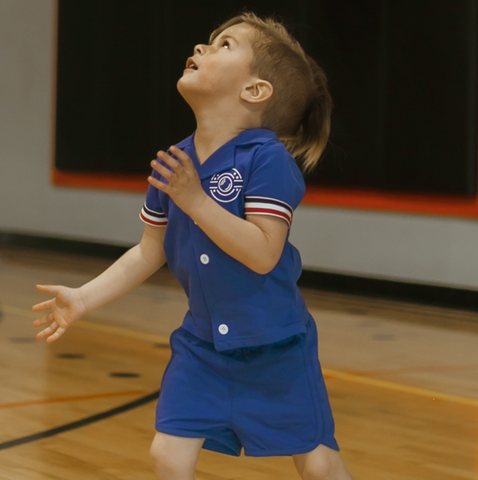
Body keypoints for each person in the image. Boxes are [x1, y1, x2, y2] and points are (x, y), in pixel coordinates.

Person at [33, 12, 355, 480]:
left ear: (255, 91)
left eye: (224, 45)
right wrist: (83, 298)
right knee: (167, 455)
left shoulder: (268, 160)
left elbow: (265, 252)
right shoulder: (176, 163)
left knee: (318, 464)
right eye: (208, 41)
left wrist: (195, 200)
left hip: (277, 350)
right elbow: (149, 250)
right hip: (202, 349)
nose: (202, 48)